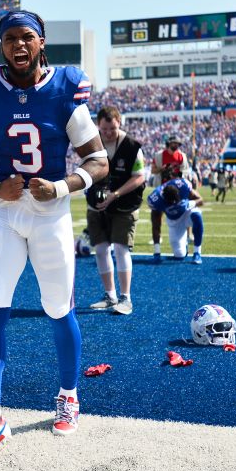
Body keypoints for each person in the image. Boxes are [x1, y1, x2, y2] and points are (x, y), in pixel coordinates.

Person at [0, 10, 108, 465]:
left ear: (41, 42)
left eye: (26, 38)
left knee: (58, 307)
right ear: (0, 45)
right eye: (9, 39)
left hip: (50, 214)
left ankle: (68, 394)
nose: (17, 46)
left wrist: (61, 186)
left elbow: (97, 161)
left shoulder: (65, 88)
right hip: (3, 212)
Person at [85, 106, 145, 315]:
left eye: (112, 128)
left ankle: (125, 298)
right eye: (104, 129)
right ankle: (109, 295)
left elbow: (139, 176)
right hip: (96, 205)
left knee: (120, 249)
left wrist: (115, 194)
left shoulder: (132, 146)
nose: (108, 133)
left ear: (119, 123)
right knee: (101, 249)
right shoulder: (91, 143)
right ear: (97, 126)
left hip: (124, 204)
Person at [147, 178, 205, 263]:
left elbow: (201, 200)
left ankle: (197, 253)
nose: (174, 204)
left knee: (197, 215)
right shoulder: (156, 199)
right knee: (179, 255)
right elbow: (156, 225)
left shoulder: (182, 185)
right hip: (174, 221)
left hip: (187, 213)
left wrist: (190, 203)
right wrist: (157, 252)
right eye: (171, 203)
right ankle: (184, 244)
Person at [148, 136, 184, 263]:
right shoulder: (159, 155)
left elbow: (185, 172)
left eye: (178, 144)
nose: (176, 146)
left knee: (183, 214)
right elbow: (153, 170)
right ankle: (157, 248)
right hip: (161, 190)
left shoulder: (181, 156)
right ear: (169, 143)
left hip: (176, 192)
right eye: (174, 143)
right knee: (156, 217)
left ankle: (187, 237)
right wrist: (162, 169)